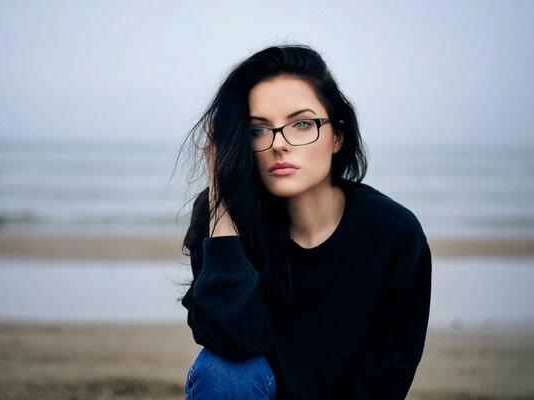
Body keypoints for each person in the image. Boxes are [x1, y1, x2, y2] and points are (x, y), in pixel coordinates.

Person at [179, 44, 431, 399]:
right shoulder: (223, 221)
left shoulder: (393, 234)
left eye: (300, 124)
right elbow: (229, 340)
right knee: (224, 370)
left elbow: (387, 375)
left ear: (337, 136)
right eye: (257, 130)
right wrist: (220, 188)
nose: (278, 145)